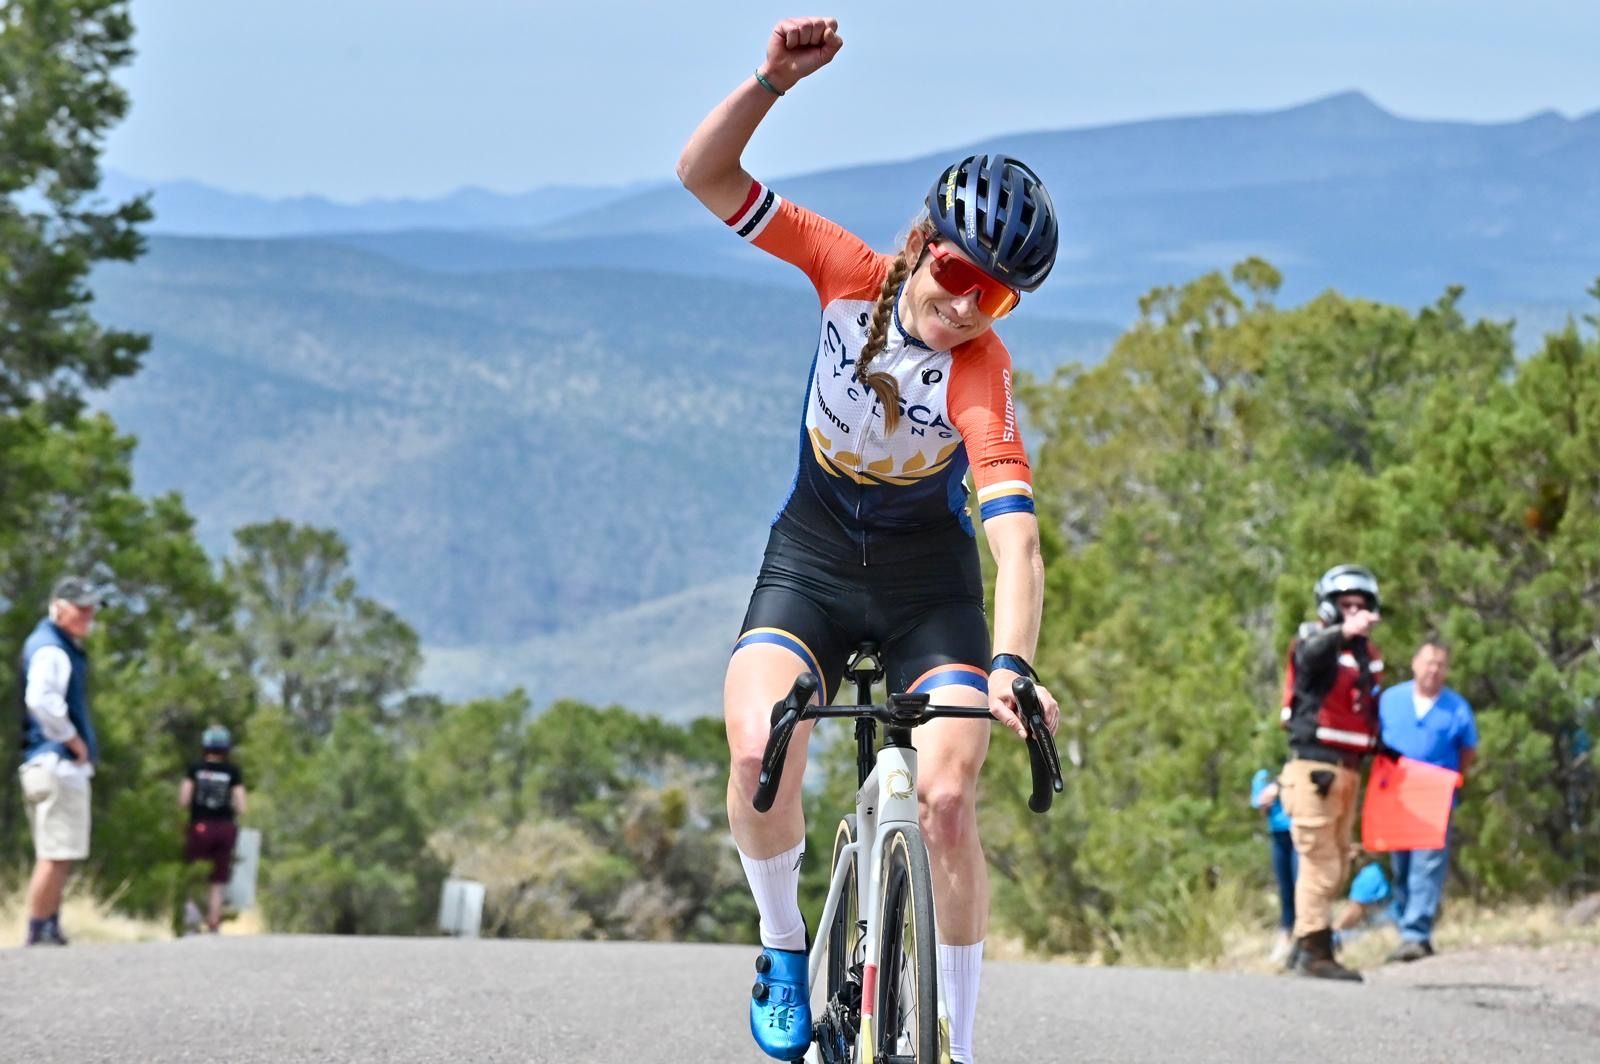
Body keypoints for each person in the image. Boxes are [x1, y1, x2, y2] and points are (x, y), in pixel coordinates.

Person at [676, 16, 1062, 1062]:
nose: (963, 302)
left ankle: (961, 1040)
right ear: (916, 239)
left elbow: (1015, 542)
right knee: (759, 747)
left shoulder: (982, 371)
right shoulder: (844, 271)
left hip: (923, 581)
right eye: (953, 267)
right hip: (809, 554)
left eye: (997, 293)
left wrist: (1015, 665)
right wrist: (768, 82)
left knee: (943, 797)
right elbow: (703, 174)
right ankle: (782, 942)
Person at [1276, 564, 1385, 981]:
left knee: (1338, 860)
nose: (1356, 612)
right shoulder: (1316, 639)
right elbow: (1308, 658)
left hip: (1350, 769)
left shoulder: (1365, 654)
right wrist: (1343, 630)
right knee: (1321, 861)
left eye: (1362, 605)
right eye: (1347, 605)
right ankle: (1314, 953)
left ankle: (1307, 941)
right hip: (1315, 767)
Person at [1378, 636, 1477, 962]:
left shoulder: (1456, 707)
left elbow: (1468, 751)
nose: (1433, 669)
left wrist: (1447, 781)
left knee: (1428, 863)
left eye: (1441, 664)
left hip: (1435, 795)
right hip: (1395, 795)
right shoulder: (1389, 699)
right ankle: (1405, 923)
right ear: (1414, 663)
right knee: (1401, 865)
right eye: (1428, 662)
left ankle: (1416, 933)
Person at [17, 576, 104, 946]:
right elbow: (40, 699)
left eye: (91, 609)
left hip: (46, 763)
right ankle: (38, 928)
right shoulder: (52, 648)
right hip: (54, 762)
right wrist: (75, 742)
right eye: (81, 608)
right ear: (59, 606)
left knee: (61, 850)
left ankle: (50, 924)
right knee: (54, 854)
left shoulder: (55, 645)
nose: (88, 615)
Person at [179, 723, 247, 934]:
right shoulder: (233, 772)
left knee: (194, 874)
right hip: (225, 828)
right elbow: (242, 806)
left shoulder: (195, 769)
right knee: (217, 879)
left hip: (200, 825)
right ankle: (214, 923)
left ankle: (191, 921)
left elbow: (183, 800)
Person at [1250, 767, 1295, 962]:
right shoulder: (1263, 774)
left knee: (1302, 884)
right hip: (1278, 835)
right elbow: (1260, 806)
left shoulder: (1296, 767)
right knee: (1285, 889)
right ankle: (1285, 935)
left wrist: (1280, 786)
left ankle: (1304, 937)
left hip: (1298, 831)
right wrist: (1267, 797)